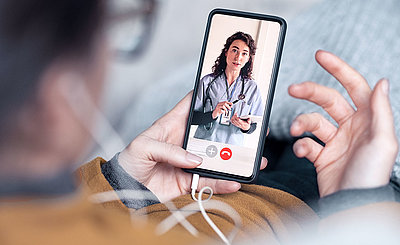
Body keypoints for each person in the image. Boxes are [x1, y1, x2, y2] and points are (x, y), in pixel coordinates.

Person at [0, 0, 399, 244]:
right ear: (57, 94)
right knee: (369, 22)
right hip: (325, 204)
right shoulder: (208, 82)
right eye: (114, 29)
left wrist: (119, 184)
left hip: (225, 176)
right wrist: (360, 205)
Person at [191, 32, 264, 145]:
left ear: (248, 58)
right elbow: (192, 117)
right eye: (234, 50)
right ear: (226, 52)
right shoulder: (207, 81)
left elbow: (253, 126)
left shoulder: (252, 88)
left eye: (244, 53)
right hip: (204, 143)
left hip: (232, 148)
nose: (238, 57)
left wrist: (246, 127)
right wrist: (213, 114)